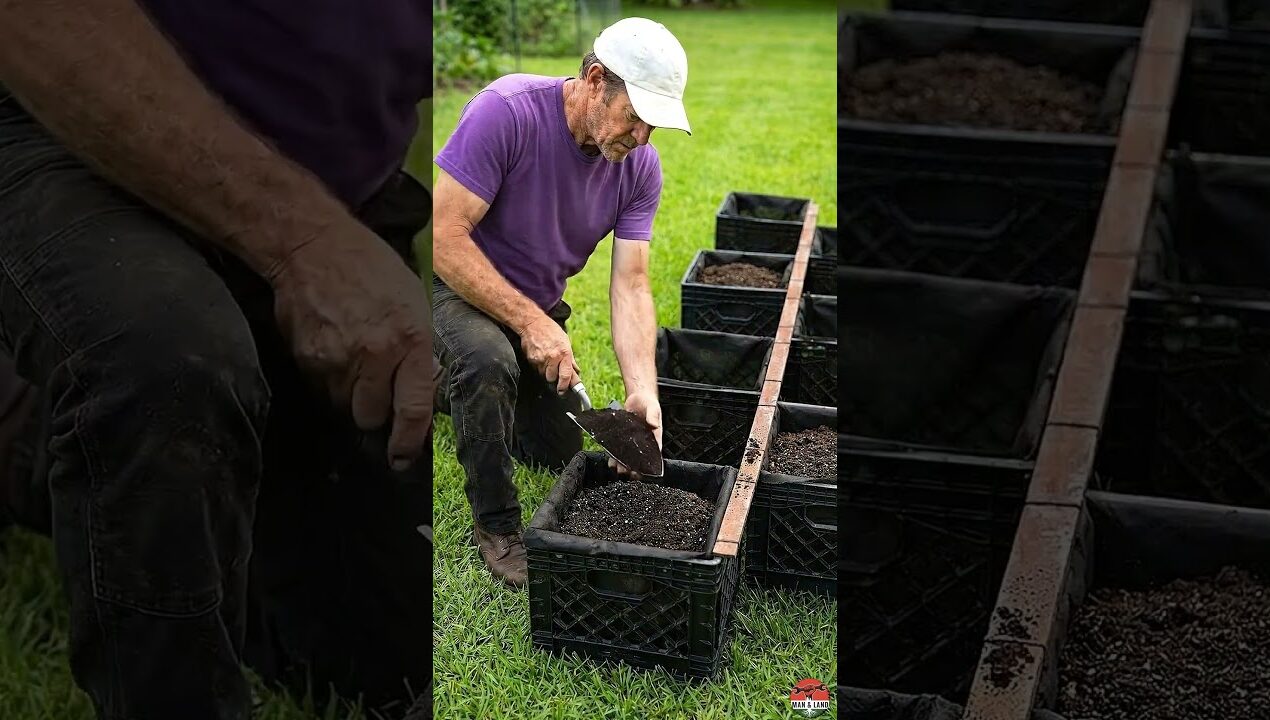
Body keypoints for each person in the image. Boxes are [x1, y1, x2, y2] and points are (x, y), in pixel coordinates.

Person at [0, 2, 434, 719]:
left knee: (399, 646)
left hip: (329, 171)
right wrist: (304, 246)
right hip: (56, 111)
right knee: (168, 361)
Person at [432, 17, 691, 588]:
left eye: (654, 125)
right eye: (636, 117)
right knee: (486, 361)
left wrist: (643, 390)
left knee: (554, 452)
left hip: (536, 306)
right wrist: (529, 322)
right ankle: (497, 528)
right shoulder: (506, 112)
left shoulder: (639, 167)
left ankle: (443, 387)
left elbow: (631, 284)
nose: (643, 137)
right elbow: (442, 238)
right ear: (596, 81)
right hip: (450, 287)